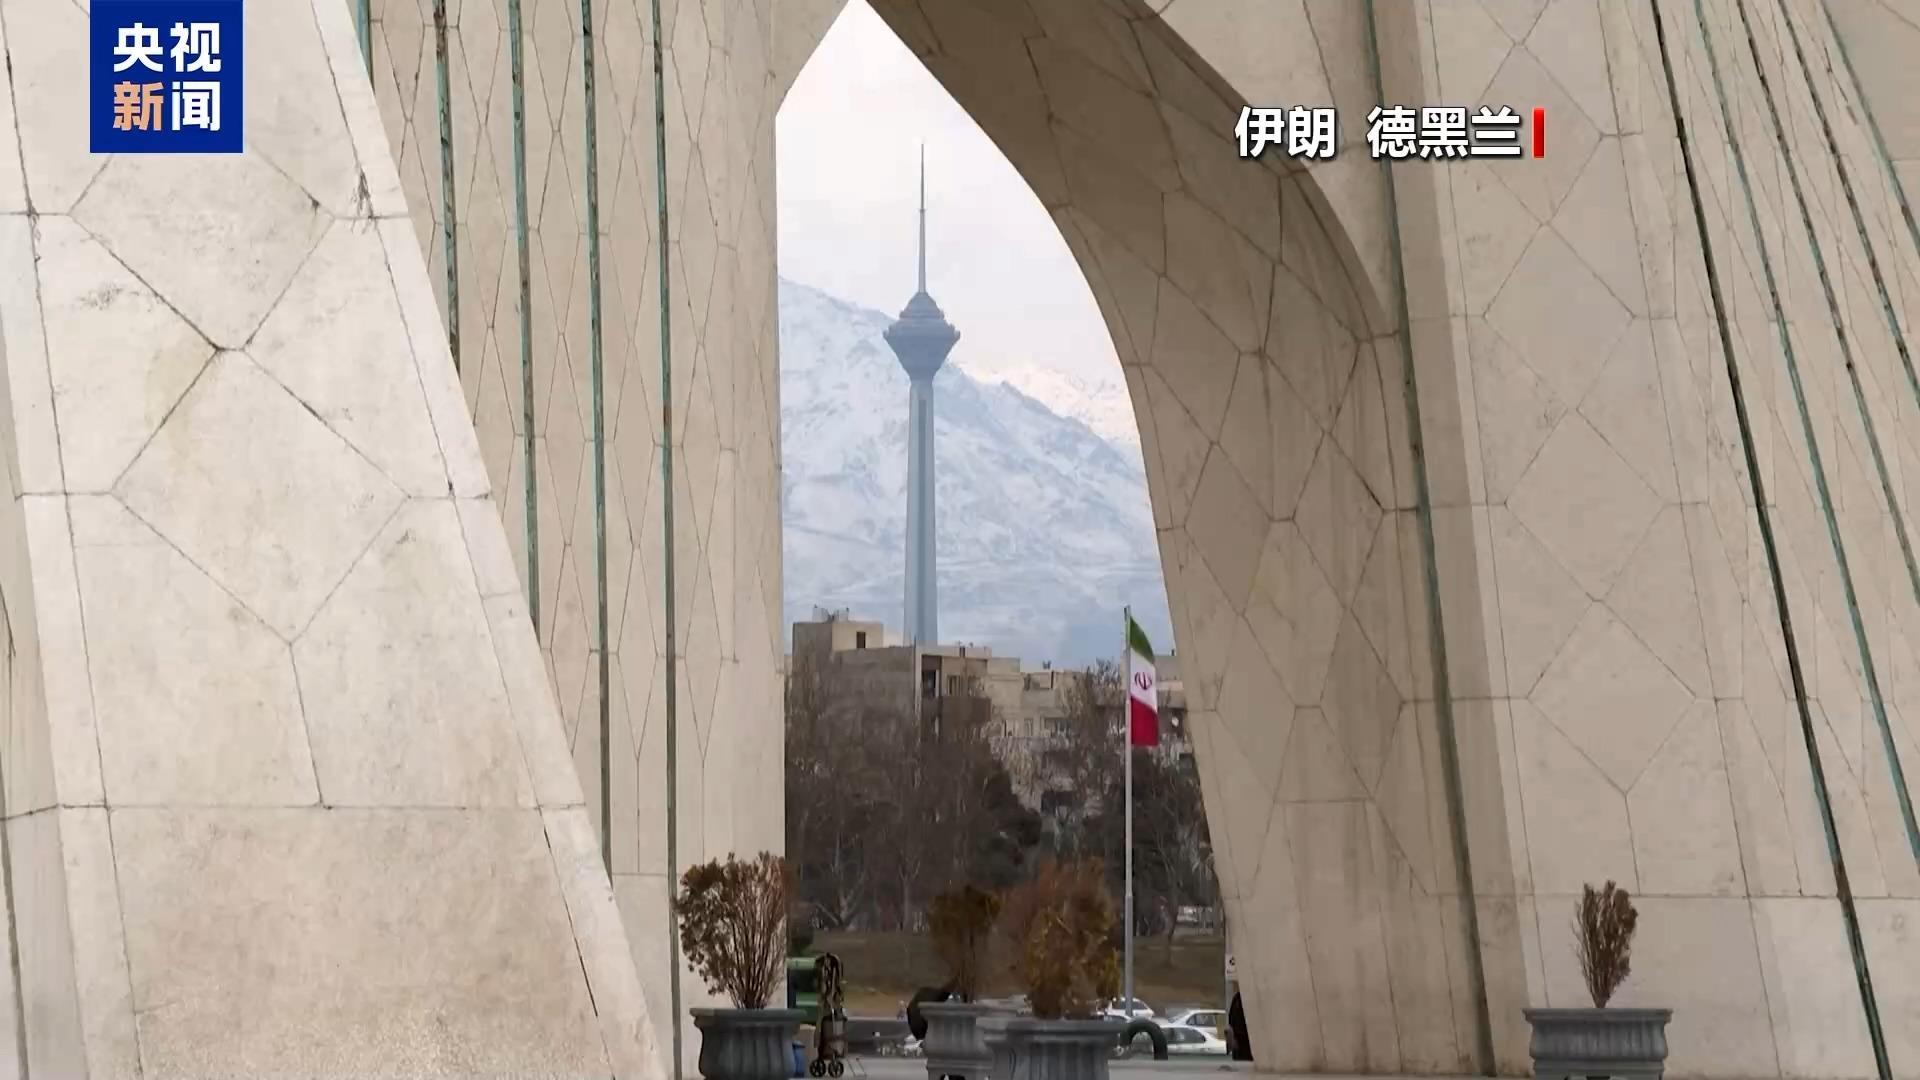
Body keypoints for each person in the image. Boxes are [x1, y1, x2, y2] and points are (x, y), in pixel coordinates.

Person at [1227, 990, 1252, 1062]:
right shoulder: (1238, 997)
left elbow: (1231, 1016)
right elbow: (1231, 1017)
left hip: (1242, 1033)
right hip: (1239, 1033)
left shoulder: (1238, 997)